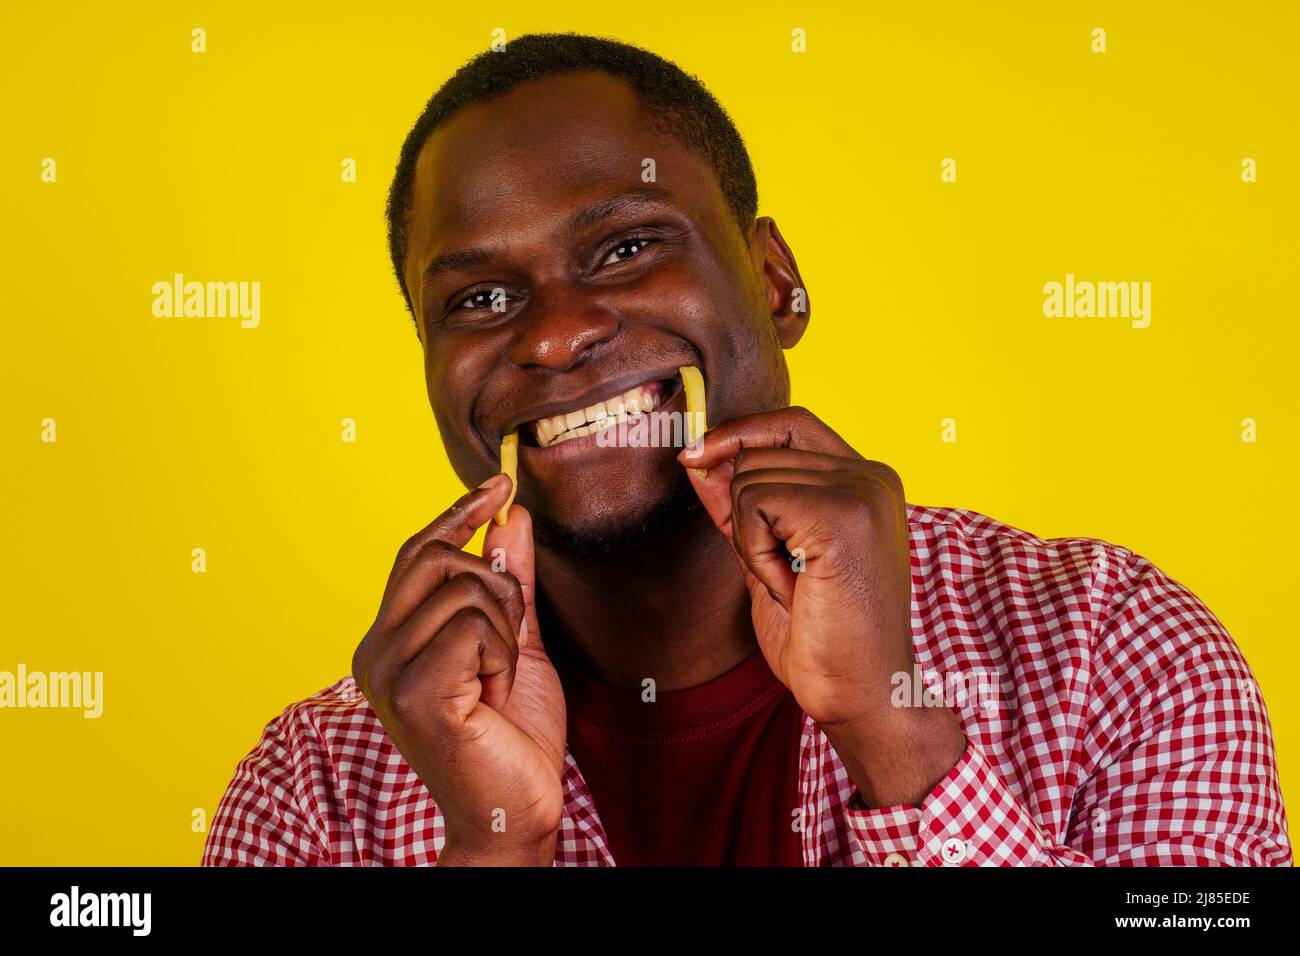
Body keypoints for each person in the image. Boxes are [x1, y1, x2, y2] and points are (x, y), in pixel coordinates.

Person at [203, 33, 1290, 867]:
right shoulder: (313, 788)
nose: (551, 332)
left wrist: (896, 734)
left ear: (773, 283)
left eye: (626, 246)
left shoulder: (1114, 649)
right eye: (480, 297)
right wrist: (492, 844)